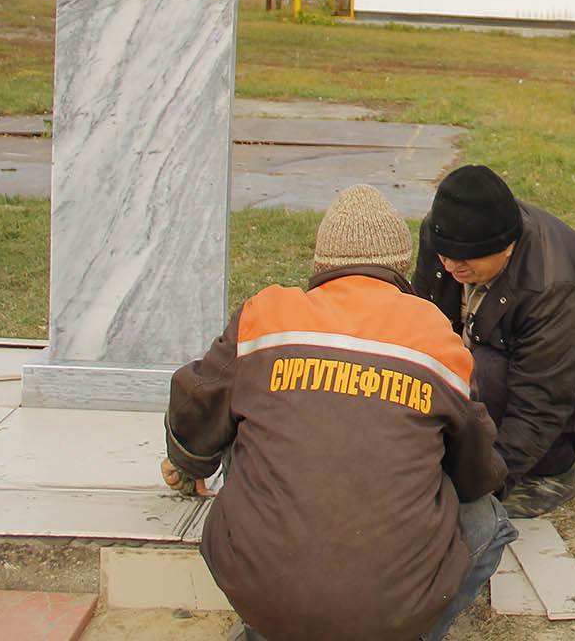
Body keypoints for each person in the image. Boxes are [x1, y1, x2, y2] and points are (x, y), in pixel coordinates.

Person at [162, 184, 513, 641]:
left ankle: (272, 627)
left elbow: (196, 403)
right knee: (488, 521)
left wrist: (190, 463)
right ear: (401, 267)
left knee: (241, 423)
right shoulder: (435, 336)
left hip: (261, 592)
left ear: (320, 264)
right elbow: (473, 472)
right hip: (393, 613)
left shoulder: (265, 315)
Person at [411, 165, 575, 517]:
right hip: (539, 354)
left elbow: (542, 401)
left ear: (507, 245)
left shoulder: (550, 286)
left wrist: (480, 480)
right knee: (473, 367)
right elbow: (424, 325)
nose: (452, 265)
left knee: (486, 371)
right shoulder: (442, 233)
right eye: (444, 253)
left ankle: (554, 472)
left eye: (466, 257)